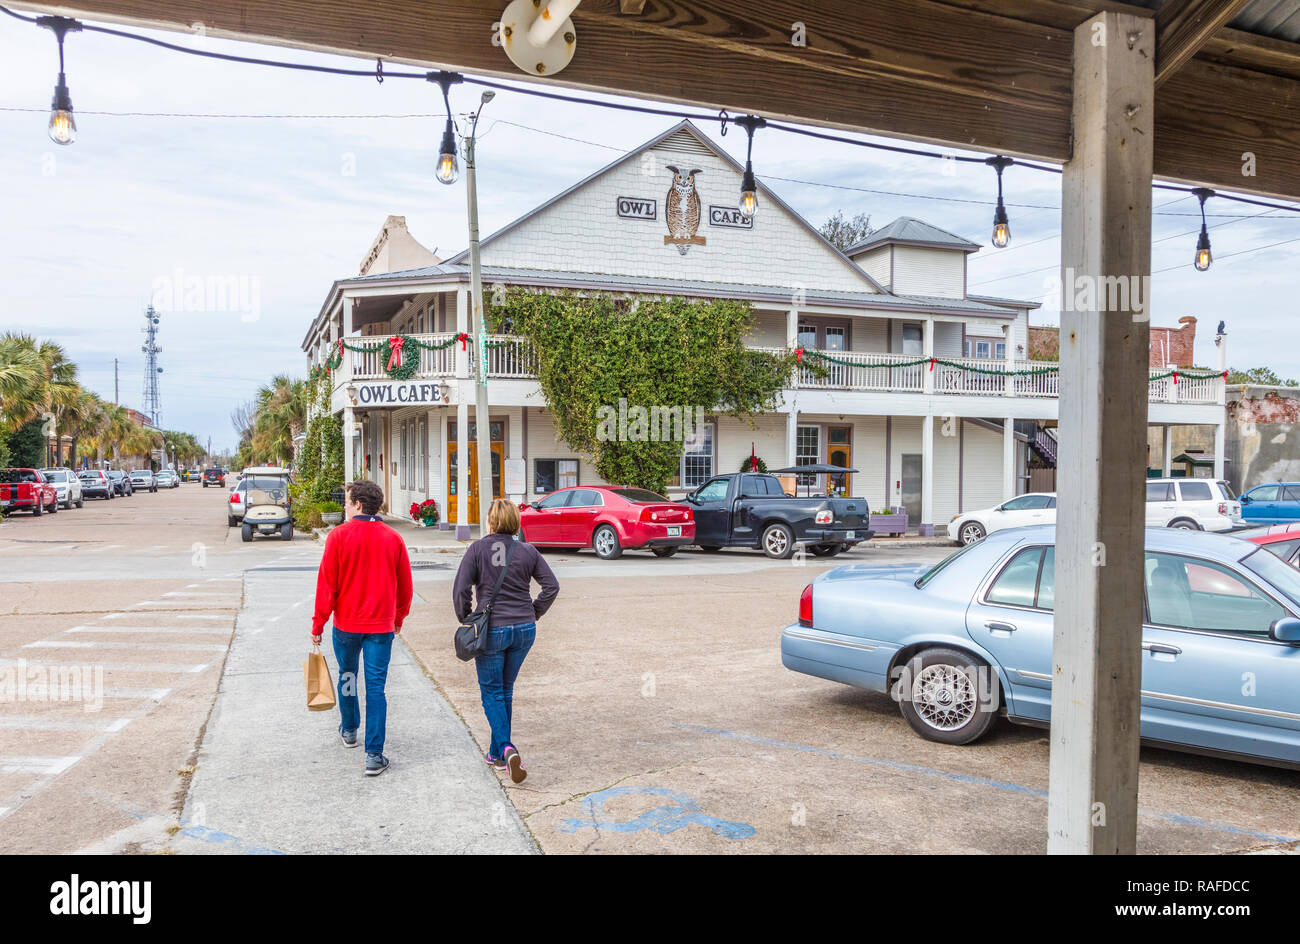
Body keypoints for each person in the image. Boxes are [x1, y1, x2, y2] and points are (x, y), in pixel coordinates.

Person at [453, 498, 559, 783]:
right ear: (515, 522)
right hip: (524, 629)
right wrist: (533, 613)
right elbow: (551, 586)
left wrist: (466, 618)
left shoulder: (477, 549)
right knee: (505, 690)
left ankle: (508, 748)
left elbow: (462, 589)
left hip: (491, 630)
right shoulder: (528, 550)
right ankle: (498, 753)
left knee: (492, 692)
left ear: (491, 522)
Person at [311, 480, 412, 777]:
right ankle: (374, 754)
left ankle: (350, 729)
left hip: (346, 626)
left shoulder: (338, 537)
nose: (344, 506)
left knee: (347, 676)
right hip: (380, 628)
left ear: (357, 504)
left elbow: (326, 585)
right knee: (377, 688)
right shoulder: (393, 539)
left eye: (346, 501)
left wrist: (318, 623)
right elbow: (405, 587)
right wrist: (398, 619)